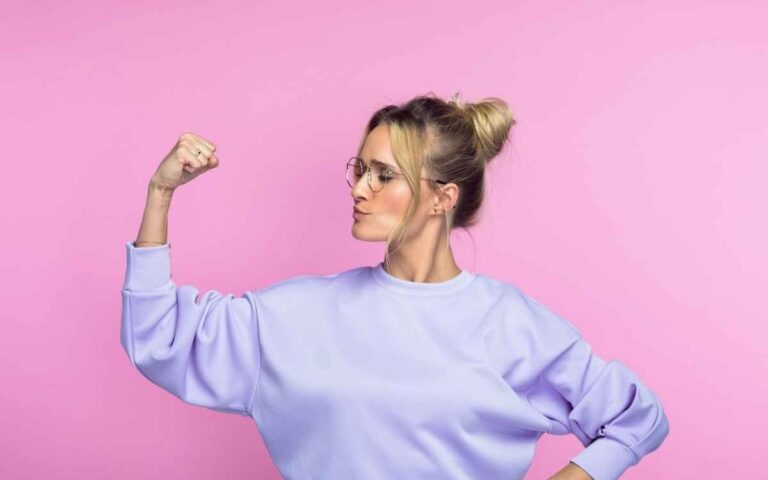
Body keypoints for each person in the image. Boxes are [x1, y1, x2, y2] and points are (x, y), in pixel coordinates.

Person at [121, 93, 669, 480]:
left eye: (384, 175)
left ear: (442, 198)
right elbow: (158, 337)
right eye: (359, 168)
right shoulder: (295, 313)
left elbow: (635, 420)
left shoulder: (512, 324)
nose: (359, 188)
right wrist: (160, 192)